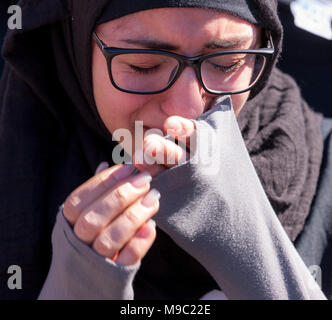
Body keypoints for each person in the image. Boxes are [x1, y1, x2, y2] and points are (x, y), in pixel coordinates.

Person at [0, 0, 331, 300]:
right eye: (144, 65)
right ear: (76, 45)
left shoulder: (324, 172)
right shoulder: (18, 159)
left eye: (227, 62)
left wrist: (256, 254)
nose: (186, 110)